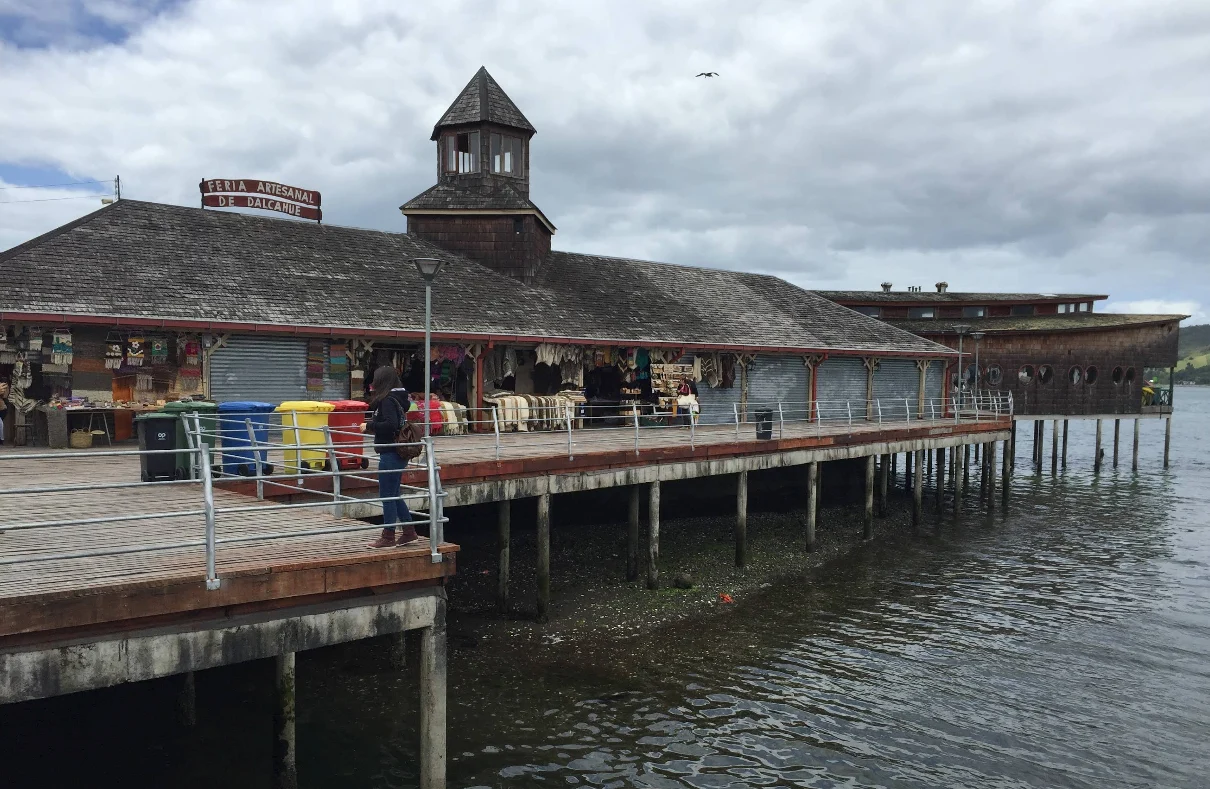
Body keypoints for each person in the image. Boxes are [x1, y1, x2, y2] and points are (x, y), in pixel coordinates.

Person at [362, 366, 423, 549]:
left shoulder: (387, 400)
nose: (373, 383)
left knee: (387, 495)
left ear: (382, 381)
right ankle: (409, 532)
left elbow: (390, 425)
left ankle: (388, 536)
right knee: (394, 494)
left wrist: (369, 426)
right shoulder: (398, 398)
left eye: (375, 379)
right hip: (398, 452)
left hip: (390, 452)